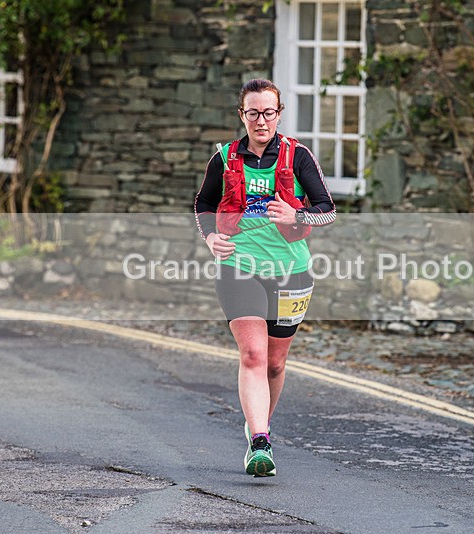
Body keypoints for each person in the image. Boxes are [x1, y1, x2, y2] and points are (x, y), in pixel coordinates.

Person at [194, 79, 336, 477]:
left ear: (279, 113)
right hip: (239, 266)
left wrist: (298, 216)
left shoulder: (298, 155)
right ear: (242, 115)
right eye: (252, 112)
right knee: (252, 355)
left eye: (268, 112)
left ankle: (260, 421)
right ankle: (260, 442)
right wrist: (211, 238)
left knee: (274, 364)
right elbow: (203, 203)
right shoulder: (223, 158)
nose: (261, 120)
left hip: (291, 269)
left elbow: (328, 209)